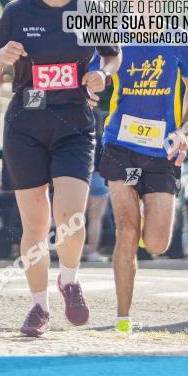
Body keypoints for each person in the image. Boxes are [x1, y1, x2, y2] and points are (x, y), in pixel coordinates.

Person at [0, 0, 121, 337]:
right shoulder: (18, 13)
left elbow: (113, 56)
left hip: (75, 121)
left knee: (71, 217)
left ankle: (70, 279)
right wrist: (1, 57)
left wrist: (101, 74)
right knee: (36, 224)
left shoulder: (91, 11)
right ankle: (38, 307)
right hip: (26, 122)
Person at [91, 0, 188, 335]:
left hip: (161, 151)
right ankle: (123, 319)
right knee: (126, 230)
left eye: (152, 2)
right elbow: (97, 76)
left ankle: (155, 204)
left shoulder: (177, 39)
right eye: (138, 1)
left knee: (156, 243)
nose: (145, 8)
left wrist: (183, 131)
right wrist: (92, 85)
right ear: (126, 1)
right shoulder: (113, 40)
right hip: (120, 144)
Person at [84, 108, 110, 263]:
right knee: (95, 219)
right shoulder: (103, 139)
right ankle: (93, 253)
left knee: (76, 218)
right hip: (100, 178)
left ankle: (74, 252)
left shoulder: (80, 137)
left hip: (81, 178)